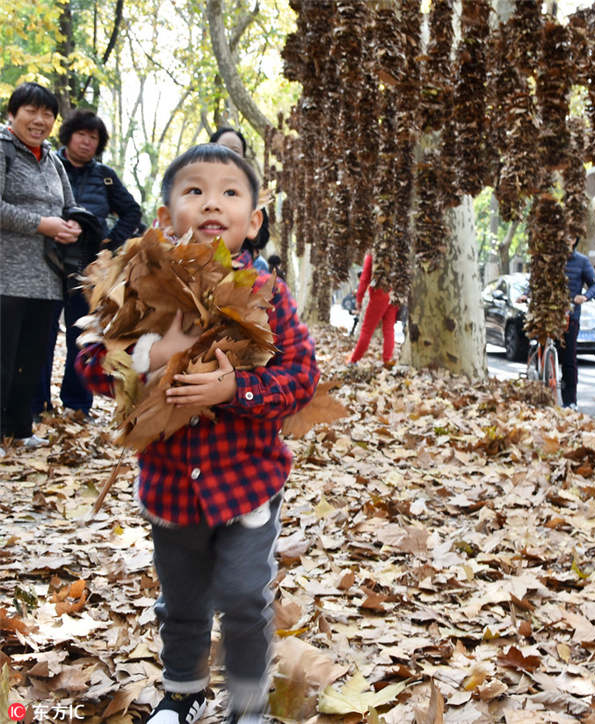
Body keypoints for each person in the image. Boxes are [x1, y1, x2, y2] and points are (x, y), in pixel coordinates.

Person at [76, 144, 319, 724]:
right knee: (181, 601)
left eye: (230, 192)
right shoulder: (141, 289)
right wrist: (154, 353)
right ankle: (183, 690)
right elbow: (90, 365)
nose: (212, 202)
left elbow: (302, 376)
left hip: (247, 483)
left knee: (242, 596)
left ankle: (248, 702)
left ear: (253, 221)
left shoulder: (268, 295)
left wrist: (237, 392)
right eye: (194, 191)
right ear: (164, 217)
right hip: (169, 488)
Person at [32, 109, 143, 419]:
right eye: (81, 134)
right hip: (47, 262)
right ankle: (37, 404)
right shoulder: (48, 165)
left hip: (89, 269)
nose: (86, 141)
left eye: (93, 137)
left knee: (84, 337)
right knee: (41, 334)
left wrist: (109, 241)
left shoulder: (105, 176)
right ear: (68, 135)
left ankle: (78, 405)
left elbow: (131, 212)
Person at [1, 82, 82, 449]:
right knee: (3, 357)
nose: (40, 120)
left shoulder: (51, 159)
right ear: (12, 114)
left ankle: (19, 430)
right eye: (31, 111)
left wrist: (74, 225)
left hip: (47, 276)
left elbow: (69, 205)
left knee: (32, 359)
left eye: (47, 113)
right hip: (6, 276)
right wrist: (40, 224)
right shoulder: (3, 149)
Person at [209, 126, 270, 253]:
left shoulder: (252, 192)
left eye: (235, 151)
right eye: (222, 148)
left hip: (238, 265)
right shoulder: (195, 185)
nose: (229, 154)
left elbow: (263, 237)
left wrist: (248, 225)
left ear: (242, 157)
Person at [560, 236, 595, 409]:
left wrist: (584, 297)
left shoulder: (582, 261)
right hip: (549, 312)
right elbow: (535, 281)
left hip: (570, 316)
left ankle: (570, 401)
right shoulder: (550, 257)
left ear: (575, 239)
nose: (566, 238)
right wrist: (526, 294)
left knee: (569, 360)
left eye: (571, 236)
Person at [346, 252, 399, 366]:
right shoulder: (396, 250)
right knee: (389, 329)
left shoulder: (373, 254)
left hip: (379, 295)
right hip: (394, 294)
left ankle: (354, 360)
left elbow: (364, 278)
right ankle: (387, 360)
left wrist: (359, 299)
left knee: (366, 330)